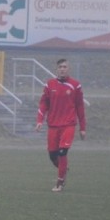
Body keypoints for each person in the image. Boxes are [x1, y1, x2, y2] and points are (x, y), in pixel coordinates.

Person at [35, 58, 86, 192]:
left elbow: (80, 107)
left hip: (68, 125)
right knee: (53, 156)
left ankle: (60, 183)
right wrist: (39, 120)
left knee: (62, 152)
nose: (62, 69)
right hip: (53, 125)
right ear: (56, 69)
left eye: (65, 67)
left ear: (68, 69)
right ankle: (63, 169)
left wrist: (83, 128)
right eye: (60, 67)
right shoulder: (49, 85)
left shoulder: (75, 85)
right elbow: (43, 104)